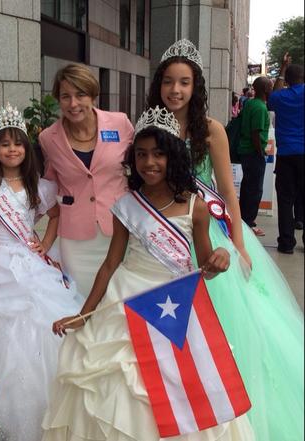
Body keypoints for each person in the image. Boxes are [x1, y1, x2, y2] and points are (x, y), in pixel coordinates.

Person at [42, 107, 254, 441]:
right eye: (141, 155)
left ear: (173, 157)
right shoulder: (127, 205)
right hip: (127, 298)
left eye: (158, 154)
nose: (149, 162)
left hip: (177, 304)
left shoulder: (195, 207)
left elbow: (204, 268)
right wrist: (84, 315)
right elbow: (110, 264)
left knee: (182, 385)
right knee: (116, 383)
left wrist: (221, 256)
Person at [147, 39, 303, 441]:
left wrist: (238, 241)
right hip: (162, 234)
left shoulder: (211, 129)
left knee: (224, 328)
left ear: (196, 86)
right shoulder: (148, 124)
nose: (175, 90)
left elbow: (227, 192)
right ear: (159, 85)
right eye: (168, 82)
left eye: (184, 82)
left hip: (207, 233)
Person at [0, 104, 83, 440]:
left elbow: (53, 216)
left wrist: (45, 244)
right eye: (5, 144)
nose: (12, 150)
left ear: (27, 149)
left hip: (28, 260)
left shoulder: (36, 185)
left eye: (18, 143)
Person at [38, 63, 134, 297]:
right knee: (80, 300)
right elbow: (49, 186)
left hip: (119, 229)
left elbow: (139, 170)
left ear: (92, 94)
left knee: (117, 299)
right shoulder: (48, 138)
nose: (73, 104)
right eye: (65, 97)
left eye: (80, 94)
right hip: (76, 237)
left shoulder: (120, 124)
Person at [268, 53, 304, 253]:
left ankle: (287, 243)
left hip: (286, 155)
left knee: (285, 199)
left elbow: (272, 96)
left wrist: (282, 68)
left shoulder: (280, 97)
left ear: (287, 80)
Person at [238, 75, 272, 236]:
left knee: (247, 187)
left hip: (246, 152)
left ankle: (244, 219)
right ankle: (249, 222)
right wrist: (260, 152)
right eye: (271, 86)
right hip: (253, 153)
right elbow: (255, 133)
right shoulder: (260, 108)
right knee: (254, 190)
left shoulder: (250, 103)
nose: (272, 89)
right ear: (266, 89)